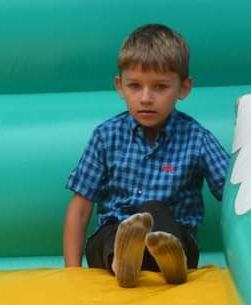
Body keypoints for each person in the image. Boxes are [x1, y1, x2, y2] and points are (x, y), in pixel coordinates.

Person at [63, 23, 229, 287]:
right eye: (135, 86)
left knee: (152, 210)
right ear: (120, 86)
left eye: (160, 87)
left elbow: (232, 194)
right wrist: (70, 273)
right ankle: (123, 261)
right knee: (116, 231)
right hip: (110, 244)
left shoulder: (196, 138)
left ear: (183, 88)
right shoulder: (106, 136)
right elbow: (80, 209)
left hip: (175, 241)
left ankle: (172, 262)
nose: (146, 98)